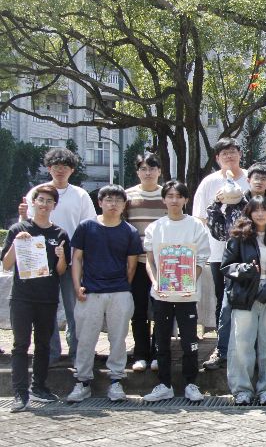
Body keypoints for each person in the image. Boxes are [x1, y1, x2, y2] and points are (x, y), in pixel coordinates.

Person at [203, 162, 266, 371]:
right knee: (227, 311)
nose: (259, 181)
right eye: (256, 177)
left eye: (264, 178)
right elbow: (220, 233)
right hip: (240, 270)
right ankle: (223, 351)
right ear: (249, 180)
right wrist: (216, 206)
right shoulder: (234, 201)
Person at [19, 147, 96, 364]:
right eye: (55, 167)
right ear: (49, 168)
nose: (59, 171)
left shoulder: (80, 195)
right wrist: (22, 216)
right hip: (40, 262)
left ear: (72, 170)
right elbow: (26, 226)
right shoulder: (38, 192)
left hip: (73, 261)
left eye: (64, 167)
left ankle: (77, 353)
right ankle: (50, 353)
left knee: (75, 309)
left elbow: (89, 227)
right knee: (46, 308)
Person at [66, 185, 142, 403]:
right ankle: (82, 381)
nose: (113, 204)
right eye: (108, 200)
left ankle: (116, 381)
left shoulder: (129, 231)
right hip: (90, 292)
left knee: (118, 339)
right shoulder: (86, 227)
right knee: (85, 339)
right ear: (99, 202)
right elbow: (77, 258)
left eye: (118, 201)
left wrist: (121, 288)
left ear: (124, 205)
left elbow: (131, 266)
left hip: (119, 293)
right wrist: (77, 285)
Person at [2, 184, 70, 412]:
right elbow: (7, 264)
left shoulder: (59, 234)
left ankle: (39, 386)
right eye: (40, 200)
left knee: (43, 345)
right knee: (20, 345)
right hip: (22, 298)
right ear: (34, 202)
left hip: (48, 297)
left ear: (54, 206)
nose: (44, 204)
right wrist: (16, 244)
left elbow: (61, 271)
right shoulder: (18, 228)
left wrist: (60, 256)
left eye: (49, 201)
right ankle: (20, 394)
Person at [142, 181, 211, 402]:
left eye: (178, 196)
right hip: (161, 294)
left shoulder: (196, 226)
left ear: (185, 200)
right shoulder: (155, 227)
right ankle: (164, 384)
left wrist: (188, 282)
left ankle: (191, 383)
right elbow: (150, 261)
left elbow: (201, 259)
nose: (174, 200)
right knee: (161, 340)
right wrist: (155, 282)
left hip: (187, 295)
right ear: (164, 199)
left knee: (189, 341)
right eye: (170, 195)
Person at [192, 138, 249, 372]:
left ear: (240, 154)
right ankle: (222, 345)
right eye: (224, 153)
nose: (229, 156)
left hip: (247, 251)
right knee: (221, 298)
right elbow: (200, 217)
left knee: (247, 296)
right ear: (217, 158)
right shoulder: (209, 182)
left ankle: (244, 343)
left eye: (233, 151)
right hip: (218, 252)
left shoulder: (250, 178)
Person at [222, 196, 266, 406]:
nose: (260, 214)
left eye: (264, 209)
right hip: (245, 294)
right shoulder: (239, 237)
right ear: (248, 213)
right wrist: (245, 270)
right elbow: (227, 266)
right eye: (255, 210)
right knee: (241, 343)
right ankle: (241, 389)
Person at [125, 152, 167, 372]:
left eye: (152, 168)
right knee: (139, 310)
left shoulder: (168, 195)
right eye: (143, 168)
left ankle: (159, 352)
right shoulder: (127, 196)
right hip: (138, 263)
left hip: (165, 263)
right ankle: (141, 353)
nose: (148, 172)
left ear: (159, 171)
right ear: (137, 171)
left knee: (162, 310)